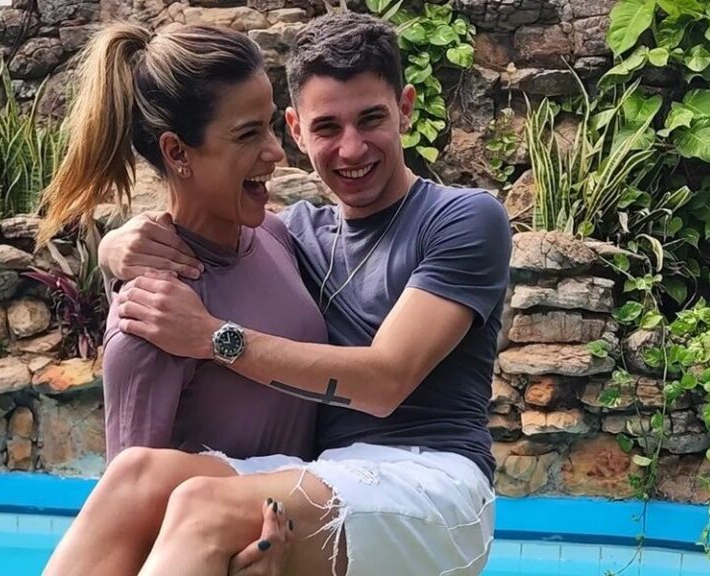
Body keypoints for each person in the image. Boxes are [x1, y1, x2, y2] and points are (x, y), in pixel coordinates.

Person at [45, 10, 512, 576]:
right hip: (320, 472)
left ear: (405, 109)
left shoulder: (463, 219)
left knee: (202, 506)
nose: (351, 149)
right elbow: (214, 235)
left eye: (371, 119)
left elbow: (386, 382)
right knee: (139, 477)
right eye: (327, 128)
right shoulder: (293, 234)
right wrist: (114, 247)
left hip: (434, 482)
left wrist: (211, 337)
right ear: (296, 130)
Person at [35, 21, 329, 576]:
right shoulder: (152, 317)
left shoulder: (275, 235)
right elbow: (128, 523)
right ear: (177, 151)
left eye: (271, 126)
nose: (275, 152)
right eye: (247, 135)